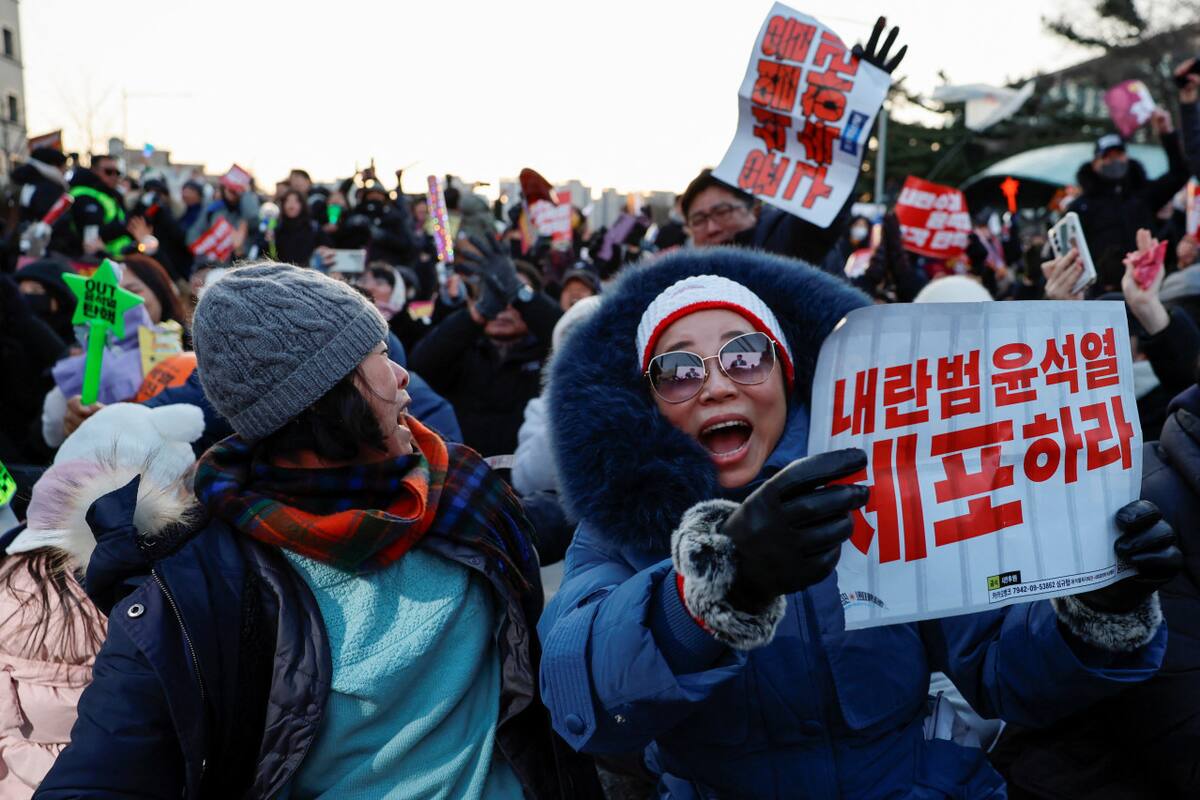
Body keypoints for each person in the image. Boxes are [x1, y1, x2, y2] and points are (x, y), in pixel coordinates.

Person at [537, 247, 1177, 798]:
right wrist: (712, 593)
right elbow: (576, 691)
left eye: (745, 355)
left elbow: (1004, 670)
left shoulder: (885, 488)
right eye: (677, 371)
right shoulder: (620, 524)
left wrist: (1096, 603)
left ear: (788, 378)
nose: (715, 386)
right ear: (651, 402)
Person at [37, 262, 601, 799]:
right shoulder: (197, 584)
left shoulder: (461, 490)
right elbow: (107, 765)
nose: (404, 375)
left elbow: (545, 526)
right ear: (328, 394)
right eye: (381, 354)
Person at [410, 235, 561, 457]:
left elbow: (572, 340)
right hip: (464, 473)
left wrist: (519, 293)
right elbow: (421, 365)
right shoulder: (462, 346)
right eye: (493, 295)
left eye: (511, 300)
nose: (503, 309)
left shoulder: (549, 352)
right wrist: (477, 314)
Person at [1067, 70, 1194, 292]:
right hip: (1105, 294)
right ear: (1095, 163)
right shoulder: (1080, 207)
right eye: (1107, 157)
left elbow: (1180, 173)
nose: (1114, 161)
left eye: (1119, 155)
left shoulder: (1142, 194)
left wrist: (1166, 133)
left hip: (1151, 287)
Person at [62, 155, 131, 258]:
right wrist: (126, 228)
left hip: (117, 258)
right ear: (94, 171)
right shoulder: (83, 195)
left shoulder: (113, 195)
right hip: (94, 262)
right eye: (108, 172)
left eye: (118, 173)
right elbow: (91, 238)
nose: (114, 176)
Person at [273, 188, 321, 266]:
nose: (291, 204)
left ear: (302, 204)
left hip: (307, 274)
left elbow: (327, 245)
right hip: (282, 273)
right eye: (288, 201)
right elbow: (270, 255)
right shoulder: (277, 227)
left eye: (296, 201)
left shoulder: (312, 227)